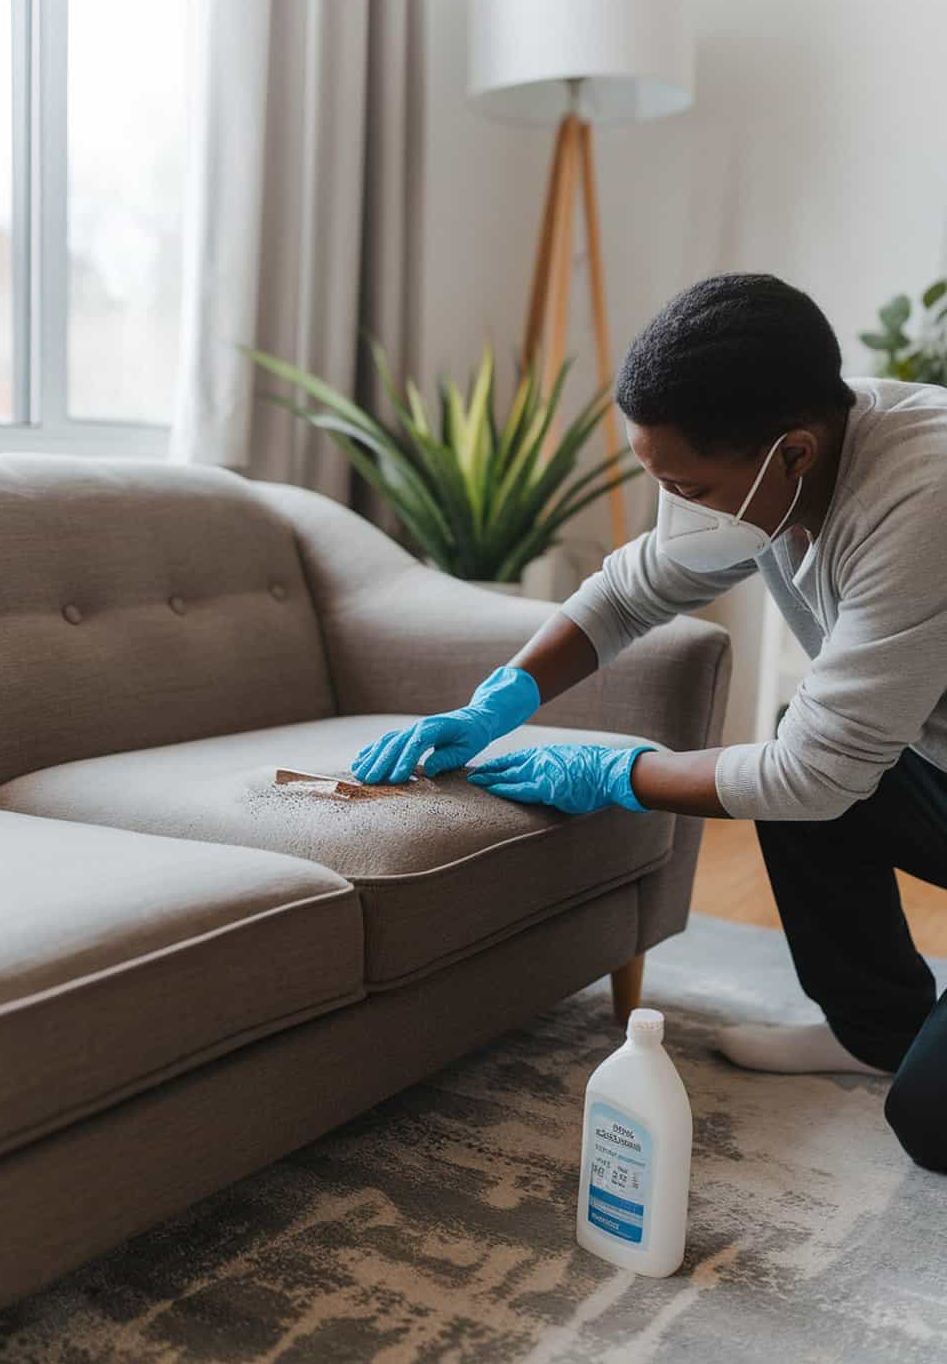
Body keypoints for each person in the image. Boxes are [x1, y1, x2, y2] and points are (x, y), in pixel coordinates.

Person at [350, 272, 947, 1174]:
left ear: (792, 454)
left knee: (933, 1122)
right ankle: (877, 1030)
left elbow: (815, 776)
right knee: (794, 737)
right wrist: (495, 702)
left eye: (689, 485)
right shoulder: (794, 450)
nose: (677, 505)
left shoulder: (923, 500)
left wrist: (614, 774)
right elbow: (628, 593)